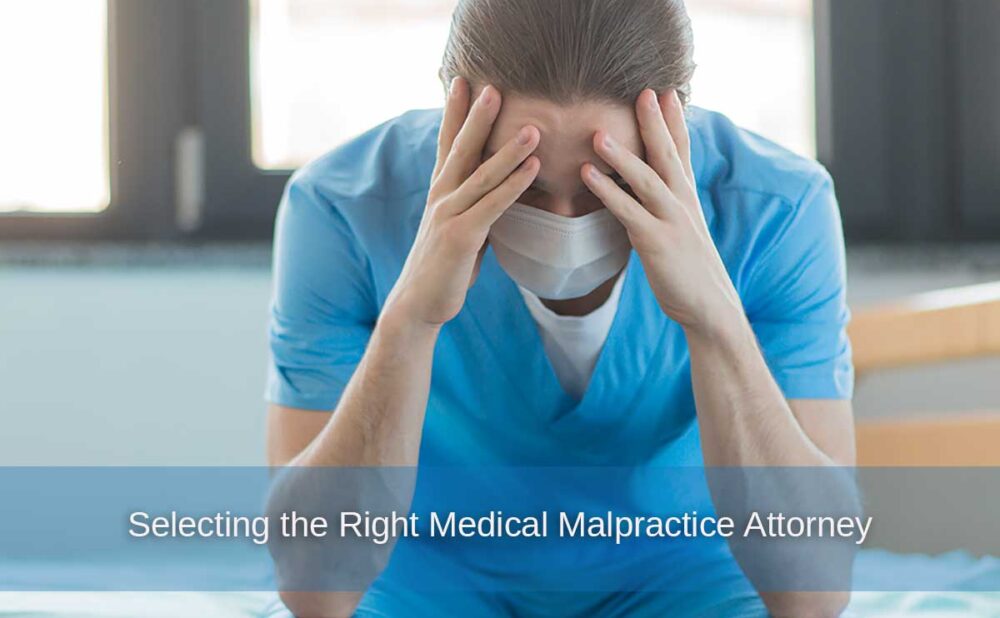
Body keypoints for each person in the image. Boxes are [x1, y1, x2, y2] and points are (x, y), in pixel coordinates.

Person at [265, 0, 858, 616]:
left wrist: (715, 318)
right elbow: (316, 587)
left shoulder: (778, 210)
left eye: (612, 183)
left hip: (686, 575)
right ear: (455, 113)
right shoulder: (342, 209)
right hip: (427, 575)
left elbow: (812, 591)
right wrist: (410, 319)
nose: (566, 222)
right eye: (525, 183)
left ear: (677, 122)